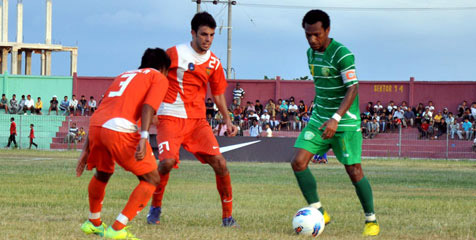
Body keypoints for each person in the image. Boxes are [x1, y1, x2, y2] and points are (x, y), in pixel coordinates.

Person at [291, 9, 379, 237]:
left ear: (327, 30)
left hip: (345, 123)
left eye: (317, 34)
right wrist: (322, 114)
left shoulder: (343, 54)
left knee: (354, 170)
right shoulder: (310, 54)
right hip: (320, 119)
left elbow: (353, 88)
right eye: (308, 35)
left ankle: (371, 219)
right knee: (298, 162)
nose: (312, 39)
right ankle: (319, 211)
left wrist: (336, 118)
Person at [148, 12, 238, 228]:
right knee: (167, 163)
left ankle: (227, 217)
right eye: (204, 34)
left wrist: (227, 120)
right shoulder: (175, 53)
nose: (207, 39)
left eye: (211, 35)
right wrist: (150, 109)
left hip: (197, 122)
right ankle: (155, 207)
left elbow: (217, 94)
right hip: (170, 117)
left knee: (221, 163)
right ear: (193, 33)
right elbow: (153, 77)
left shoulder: (214, 63)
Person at [75, 48, 170, 239]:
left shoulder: (123, 75)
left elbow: (104, 108)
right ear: (163, 68)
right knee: (151, 179)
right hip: (118, 128)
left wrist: (86, 149)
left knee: (103, 173)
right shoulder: (158, 77)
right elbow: (148, 106)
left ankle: (94, 222)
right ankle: (117, 229)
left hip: (97, 125)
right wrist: (144, 137)